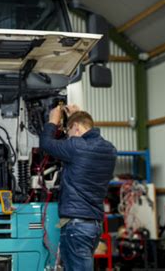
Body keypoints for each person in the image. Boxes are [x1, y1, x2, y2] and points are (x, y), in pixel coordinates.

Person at [39, 104, 116, 271]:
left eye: (69, 132)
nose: (69, 137)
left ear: (76, 128)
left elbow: (46, 143)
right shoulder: (110, 150)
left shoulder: (76, 147)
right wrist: (77, 116)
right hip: (93, 226)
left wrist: (53, 120)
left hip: (76, 227)